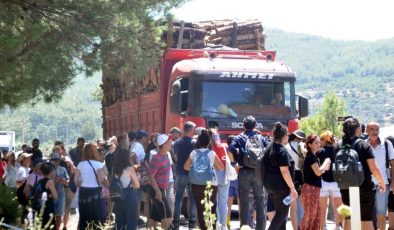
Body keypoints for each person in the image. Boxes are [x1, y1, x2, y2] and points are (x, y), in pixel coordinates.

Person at [333, 117, 385, 230]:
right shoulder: (364, 145)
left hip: (345, 188)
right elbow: (373, 168)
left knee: (349, 218)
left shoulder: (338, 146)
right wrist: (381, 182)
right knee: (366, 219)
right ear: (357, 129)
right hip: (364, 188)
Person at [229, 115, 269, 230]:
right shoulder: (261, 138)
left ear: (243, 126)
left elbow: (230, 149)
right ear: (255, 125)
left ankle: (244, 227)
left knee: (244, 202)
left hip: (244, 172)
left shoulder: (238, 138)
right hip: (259, 173)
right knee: (260, 202)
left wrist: (234, 164)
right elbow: (269, 150)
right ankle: (260, 228)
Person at [184, 130, 224, 230]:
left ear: (198, 142)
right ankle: (212, 228)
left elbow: (186, 167)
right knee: (211, 208)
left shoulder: (194, 153)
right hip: (211, 183)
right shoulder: (211, 153)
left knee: (200, 209)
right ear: (208, 142)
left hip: (196, 183)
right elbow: (221, 167)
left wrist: (195, 168)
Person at [263, 122, 297, 230]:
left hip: (269, 186)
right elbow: (284, 171)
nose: (288, 136)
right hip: (281, 188)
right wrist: (292, 188)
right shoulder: (281, 150)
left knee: (280, 214)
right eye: (288, 134)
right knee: (282, 213)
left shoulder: (269, 147)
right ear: (284, 136)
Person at [366, 122, 394, 230]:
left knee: (381, 215)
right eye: (372, 129)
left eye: (377, 129)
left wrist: (393, 182)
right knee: (367, 215)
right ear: (367, 131)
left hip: (383, 185)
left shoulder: (386, 144)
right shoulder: (363, 144)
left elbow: (393, 164)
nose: (375, 131)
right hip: (367, 185)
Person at [74, 143, 108, 230]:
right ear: (94, 152)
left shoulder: (80, 164)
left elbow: (75, 180)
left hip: (83, 193)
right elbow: (101, 180)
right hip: (95, 192)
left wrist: (82, 182)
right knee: (97, 217)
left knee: (85, 216)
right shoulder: (98, 164)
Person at [300, 134, 331, 230]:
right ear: (309, 145)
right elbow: (318, 172)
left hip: (314, 188)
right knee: (310, 214)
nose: (319, 144)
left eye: (319, 142)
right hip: (310, 188)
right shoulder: (311, 157)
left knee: (316, 214)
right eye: (316, 143)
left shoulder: (313, 156)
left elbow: (320, 171)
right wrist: (326, 162)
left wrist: (325, 166)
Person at [172, 121, 198, 229]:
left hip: (180, 173)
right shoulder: (195, 142)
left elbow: (176, 158)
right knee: (192, 198)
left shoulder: (176, 143)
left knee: (178, 198)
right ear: (191, 130)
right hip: (192, 174)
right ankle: (192, 221)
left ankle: (176, 221)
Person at [317, 130, 343, 230]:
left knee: (323, 207)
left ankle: (323, 226)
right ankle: (338, 226)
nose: (320, 141)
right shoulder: (337, 149)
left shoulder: (320, 151)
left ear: (324, 140)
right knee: (337, 206)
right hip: (336, 182)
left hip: (323, 182)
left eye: (321, 139)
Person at [147, 134, 173, 230]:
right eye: (169, 141)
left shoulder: (166, 154)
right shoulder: (157, 158)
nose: (171, 142)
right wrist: (158, 191)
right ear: (164, 144)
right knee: (168, 217)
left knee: (153, 218)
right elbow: (151, 175)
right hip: (157, 190)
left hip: (161, 189)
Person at [112, 148, 140, 230]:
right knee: (131, 221)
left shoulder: (114, 169)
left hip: (117, 197)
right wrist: (133, 182)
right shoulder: (129, 169)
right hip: (129, 197)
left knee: (120, 222)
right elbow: (137, 185)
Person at [209, 129, 231, 230]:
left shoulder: (209, 148)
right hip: (224, 176)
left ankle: (216, 223)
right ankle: (224, 225)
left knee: (214, 201)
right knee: (223, 201)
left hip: (213, 175)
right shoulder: (224, 146)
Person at [285, 129, 306, 229]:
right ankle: (300, 226)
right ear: (300, 138)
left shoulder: (286, 146)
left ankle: (295, 228)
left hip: (289, 174)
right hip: (299, 175)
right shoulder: (301, 146)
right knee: (301, 204)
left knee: (292, 206)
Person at [51, 150, 70, 230]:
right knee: (50, 217)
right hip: (50, 196)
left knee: (59, 216)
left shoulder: (63, 169)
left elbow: (68, 182)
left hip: (60, 196)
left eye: (58, 160)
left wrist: (63, 181)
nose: (56, 162)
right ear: (51, 160)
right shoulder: (47, 169)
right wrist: (55, 181)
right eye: (54, 160)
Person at [39, 162, 58, 229]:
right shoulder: (50, 182)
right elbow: (55, 196)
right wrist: (50, 195)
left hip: (41, 205)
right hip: (48, 206)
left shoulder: (40, 180)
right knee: (49, 225)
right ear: (51, 171)